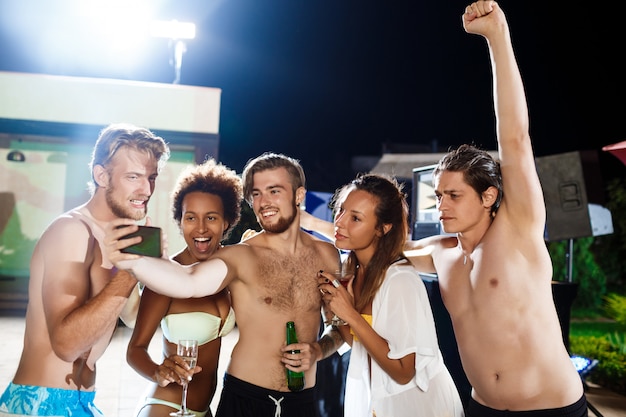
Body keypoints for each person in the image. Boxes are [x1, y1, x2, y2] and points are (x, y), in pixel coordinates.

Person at [404, 2, 587, 416]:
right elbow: (379, 246)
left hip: (551, 408)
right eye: (439, 195)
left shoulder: (518, 228)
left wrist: (497, 37)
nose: (442, 205)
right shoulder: (441, 252)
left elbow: (516, 139)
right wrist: (303, 222)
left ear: (488, 196)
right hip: (482, 408)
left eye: (454, 195)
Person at [103, 152, 345, 417]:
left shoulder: (328, 256)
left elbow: (340, 327)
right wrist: (133, 261)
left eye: (274, 191)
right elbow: (188, 282)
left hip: (301, 402)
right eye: (256, 194)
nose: (264, 202)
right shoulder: (240, 257)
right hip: (241, 399)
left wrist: (320, 349)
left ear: (299, 196)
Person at [0, 123, 170, 416]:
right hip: (38, 405)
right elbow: (66, 345)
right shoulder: (71, 230)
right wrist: (129, 270)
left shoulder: (119, 237)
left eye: (151, 177)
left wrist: (151, 266)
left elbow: (130, 317)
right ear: (101, 175)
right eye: (133, 177)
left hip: (82, 403)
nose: (147, 189)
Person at [317, 173, 464, 417]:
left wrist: (351, 315)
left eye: (355, 218)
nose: (340, 222)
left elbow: (403, 372)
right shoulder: (350, 271)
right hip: (378, 403)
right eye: (341, 210)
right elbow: (361, 346)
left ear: (382, 229)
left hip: (419, 407)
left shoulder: (400, 280)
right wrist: (332, 307)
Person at [128, 158, 243, 417]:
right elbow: (135, 350)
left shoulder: (233, 269)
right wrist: (158, 371)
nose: (201, 228)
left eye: (211, 217)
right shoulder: (166, 278)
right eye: (191, 217)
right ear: (180, 222)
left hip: (205, 410)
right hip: (167, 407)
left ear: (226, 222)